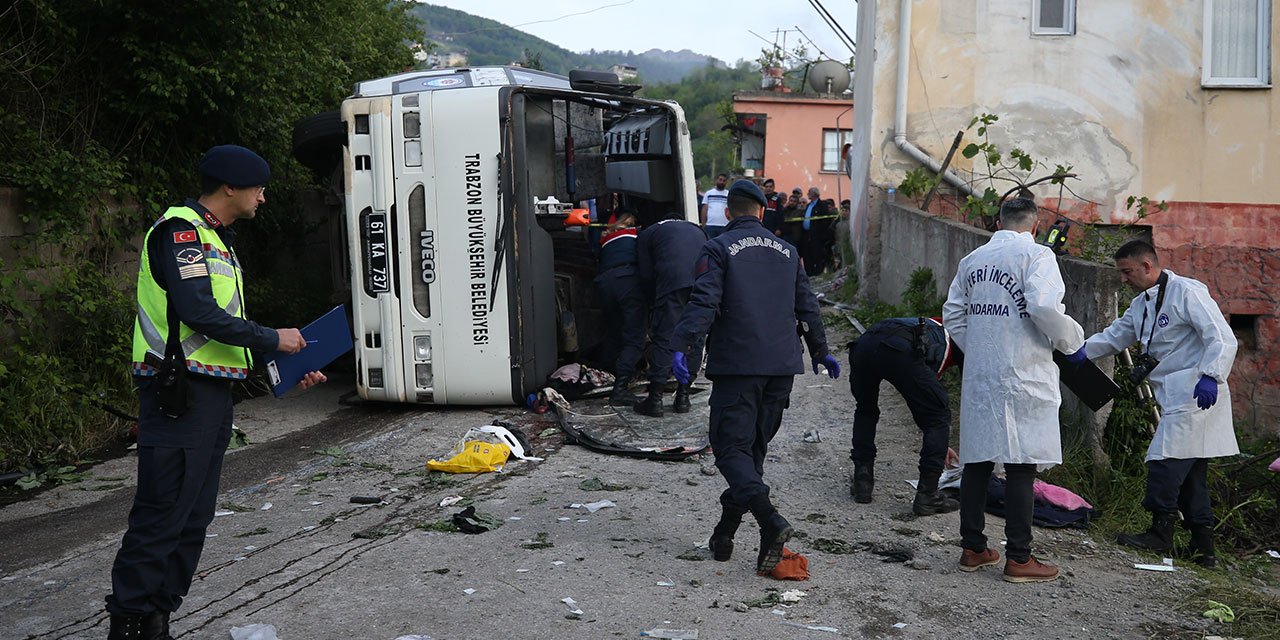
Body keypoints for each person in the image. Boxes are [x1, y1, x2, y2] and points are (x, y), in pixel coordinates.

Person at [108, 145, 327, 640]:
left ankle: (157, 621)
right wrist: (273, 337)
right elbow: (200, 314)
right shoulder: (181, 233)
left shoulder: (215, 239)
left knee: (192, 517)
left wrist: (288, 364)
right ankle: (127, 625)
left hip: (208, 395)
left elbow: (216, 337)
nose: (263, 198)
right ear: (231, 187)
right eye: (259, 188)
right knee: (163, 513)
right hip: (177, 395)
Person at [668, 179, 839, 574]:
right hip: (781, 369)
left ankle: (770, 520)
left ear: (728, 212)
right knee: (751, 456)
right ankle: (726, 537)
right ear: (763, 211)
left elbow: (703, 301)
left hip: (738, 366)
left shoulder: (716, 248)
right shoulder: (789, 251)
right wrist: (821, 351)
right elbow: (807, 306)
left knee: (729, 449)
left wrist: (682, 345)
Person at [941, 197, 1086, 584]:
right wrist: (1071, 341)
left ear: (997, 222)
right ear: (1035, 225)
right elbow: (1042, 305)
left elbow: (953, 313)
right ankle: (1019, 557)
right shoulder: (1037, 257)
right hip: (1024, 370)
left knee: (978, 459)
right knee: (1022, 464)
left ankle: (973, 548)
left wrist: (983, 346)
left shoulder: (972, 262)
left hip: (982, 373)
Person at [1079, 240, 1238, 567]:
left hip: (1197, 392)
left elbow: (1221, 337)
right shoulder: (1143, 305)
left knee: (1163, 460)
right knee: (1193, 473)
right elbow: (1114, 337)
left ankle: (1160, 532)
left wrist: (1211, 374)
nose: (1123, 279)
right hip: (1175, 395)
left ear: (1147, 266)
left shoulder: (1187, 293)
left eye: (1127, 272)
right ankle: (1203, 549)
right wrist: (1075, 352)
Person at [848, 317, 962, 515]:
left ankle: (862, 481)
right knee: (938, 415)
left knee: (865, 409)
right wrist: (937, 437)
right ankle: (928, 495)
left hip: (864, 343)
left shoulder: (932, 323)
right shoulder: (958, 341)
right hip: (898, 348)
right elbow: (930, 410)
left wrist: (939, 440)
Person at [633, 212, 708, 417]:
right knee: (695, 336)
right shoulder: (697, 230)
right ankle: (683, 397)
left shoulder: (649, 233)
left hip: (672, 283)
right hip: (702, 284)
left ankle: (655, 399)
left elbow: (646, 274)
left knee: (666, 336)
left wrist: (652, 303)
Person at [595, 212, 647, 405]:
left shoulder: (606, 239)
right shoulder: (637, 235)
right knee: (635, 335)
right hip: (627, 280)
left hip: (604, 282)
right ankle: (621, 388)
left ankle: (608, 375)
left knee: (614, 331)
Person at [800, 187, 833, 276]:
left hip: (817, 236)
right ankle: (809, 274)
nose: (807, 194)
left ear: (814, 194)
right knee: (807, 255)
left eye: (809, 192)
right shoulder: (808, 205)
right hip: (806, 235)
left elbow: (826, 220)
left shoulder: (822, 205)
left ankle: (818, 274)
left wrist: (818, 231)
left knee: (817, 255)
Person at [699, 173, 730, 238]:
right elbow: (704, 209)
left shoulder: (729, 195)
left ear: (726, 182)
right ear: (716, 180)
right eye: (720, 180)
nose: (722, 182)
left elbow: (731, 210)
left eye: (724, 181)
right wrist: (703, 225)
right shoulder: (709, 193)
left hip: (724, 226)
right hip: (710, 226)